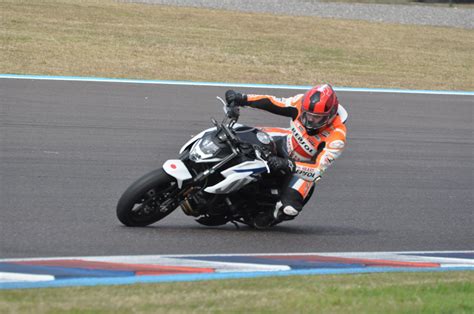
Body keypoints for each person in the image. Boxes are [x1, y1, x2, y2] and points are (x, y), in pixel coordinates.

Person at [225, 84, 348, 228]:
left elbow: (317, 171)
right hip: (284, 141)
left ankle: (269, 216)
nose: (310, 120)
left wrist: (288, 164)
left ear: (330, 116)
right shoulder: (299, 102)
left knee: (289, 210)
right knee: (237, 133)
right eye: (307, 115)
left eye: (317, 118)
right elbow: (271, 102)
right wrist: (241, 98)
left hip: (302, 169)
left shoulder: (337, 137)